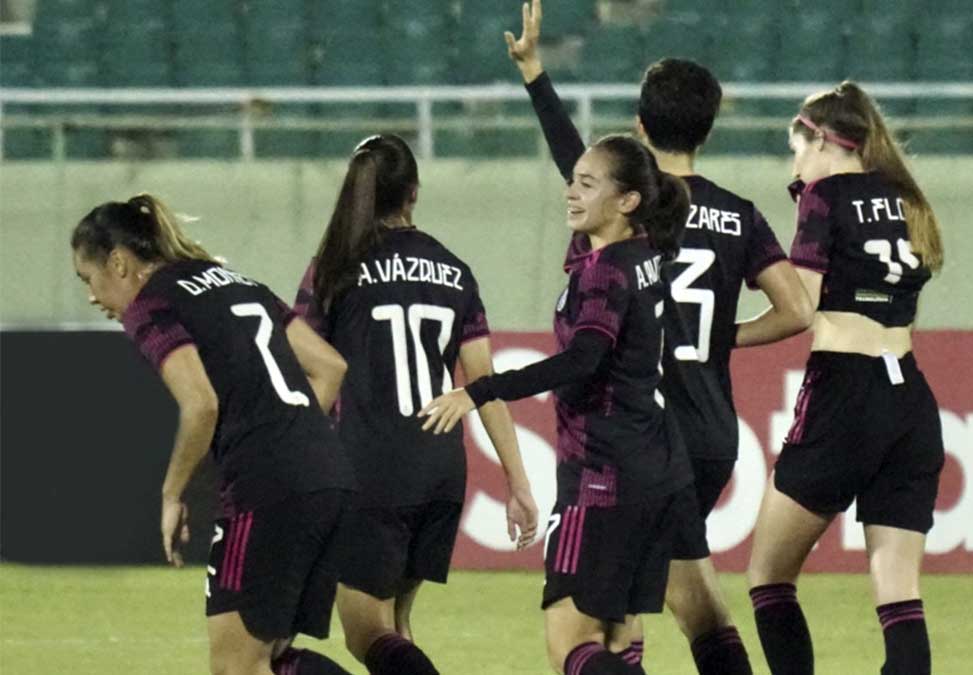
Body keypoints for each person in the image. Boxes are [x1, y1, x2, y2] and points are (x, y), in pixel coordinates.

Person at [504, 3, 812, 672]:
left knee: (595, 612)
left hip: (636, 432)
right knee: (684, 594)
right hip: (710, 431)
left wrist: (535, 76)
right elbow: (797, 310)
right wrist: (719, 338)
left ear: (639, 126)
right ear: (709, 126)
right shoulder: (739, 215)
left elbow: (572, 160)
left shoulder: (620, 210)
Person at [419, 134, 691, 675]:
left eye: (587, 185)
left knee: (571, 646)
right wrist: (535, 80)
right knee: (616, 636)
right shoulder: (644, 257)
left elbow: (584, 358)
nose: (571, 190)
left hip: (603, 475)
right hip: (654, 470)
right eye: (572, 179)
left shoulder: (606, 269)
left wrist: (479, 390)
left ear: (628, 201)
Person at [69, 194, 357, 675]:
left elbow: (200, 404)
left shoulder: (151, 305)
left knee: (235, 667)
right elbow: (330, 367)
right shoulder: (237, 282)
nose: (92, 296)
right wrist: (295, 439)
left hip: (266, 488)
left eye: (88, 278)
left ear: (118, 263)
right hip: (326, 474)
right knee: (270, 659)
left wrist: (172, 493)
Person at [293, 133, 540, 675]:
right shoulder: (454, 271)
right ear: (414, 193)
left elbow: (308, 371)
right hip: (439, 470)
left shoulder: (334, 270)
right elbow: (484, 381)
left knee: (367, 634)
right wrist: (517, 482)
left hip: (369, 465)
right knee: (398, 628)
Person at [745, 82, 947, 675]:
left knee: (768, 577)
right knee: (899, 591)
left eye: (796, 148)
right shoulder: (909, 198)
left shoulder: (824, 196)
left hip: (844, 391)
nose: (795, 165)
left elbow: (799, 310)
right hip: (909, 397)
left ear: (823, 142)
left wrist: (718, 337)